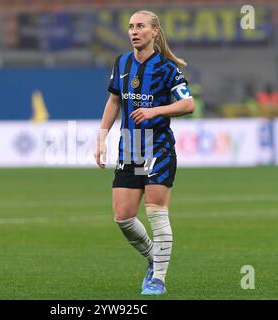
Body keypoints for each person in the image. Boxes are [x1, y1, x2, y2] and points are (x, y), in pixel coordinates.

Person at [94, 10, 194, 295]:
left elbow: (188, 105)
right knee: (123, 217)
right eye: (130, 26)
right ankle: (155, 260)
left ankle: (158, 279)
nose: (133, 31)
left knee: (156, 211)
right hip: (131, 148)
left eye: (140, 26)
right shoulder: (122, 62)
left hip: (159, 148)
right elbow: (114, 101)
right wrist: (101, 138)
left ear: (154, 32)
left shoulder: (166, 68)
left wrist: (155, 110)